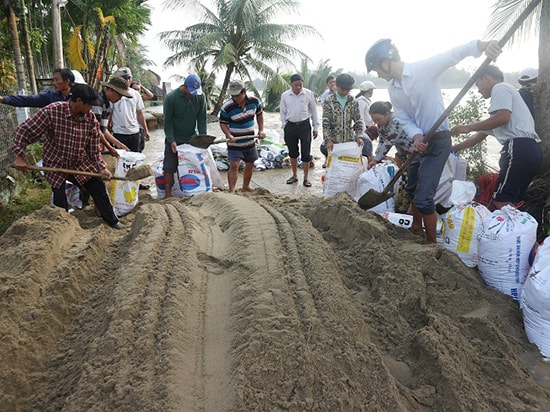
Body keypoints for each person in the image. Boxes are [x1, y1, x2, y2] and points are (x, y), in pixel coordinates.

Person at [364, 38, 502, 243]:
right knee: (411, 188)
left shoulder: (422, 70)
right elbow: (403, 117)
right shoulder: (394, 89)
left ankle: (431, 244)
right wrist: (416, 136)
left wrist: (481, 46)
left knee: (424, 197)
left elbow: (452, 55)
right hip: (419, 144)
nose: (378, 75)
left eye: (377, 69)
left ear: (385, 62)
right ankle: (416, 229)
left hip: (438, 141)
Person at [10, 84, 123, 229]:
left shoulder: (90, 120)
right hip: (55, 164)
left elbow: (93, 149)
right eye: (89, 105)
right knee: (60, 198)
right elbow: (24, 130)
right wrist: (19, 156)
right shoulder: (52, 112)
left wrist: (101, 168)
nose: (91, 109)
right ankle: (62, 228)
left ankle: (112, 221)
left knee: (98, 186)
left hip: (79, 162)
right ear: (79, 101)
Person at [450, 65, 542, 211]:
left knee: (501, 201)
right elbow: (478, 136)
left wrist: (469, 126)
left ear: (486, 79)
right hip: (532, 151)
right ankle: (514, 231)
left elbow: (503, 117)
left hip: (518, 147)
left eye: (478, 84)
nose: (479, 91)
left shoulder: (500, 88)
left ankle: (505, 232)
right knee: (508, 201)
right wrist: (452, 148)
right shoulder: (506, 103)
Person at [162, 73, 207, 198]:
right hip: (175, 138)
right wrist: (171, 140)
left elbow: (202, 119)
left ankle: (194, 192)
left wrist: (203, 138)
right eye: (191, 91)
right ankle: (168, 194)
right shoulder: (171, 98)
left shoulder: (200, 97)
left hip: (191, 138)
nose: (193, 94)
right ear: (185, 87)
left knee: (194, 166)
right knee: (169, 166)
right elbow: (168, 122)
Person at [219, 79, 266, 193]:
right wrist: (229, 135)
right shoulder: (227, 107)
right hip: (234, 142)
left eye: (237, 95)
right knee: (234, 165)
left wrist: (261, 130)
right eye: (232, 95)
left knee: (250, 164)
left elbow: (259, 116)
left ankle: (245, 186)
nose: (235, 98)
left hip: (250, 140)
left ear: (244, 92)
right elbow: (223, 123)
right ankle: (232, 190)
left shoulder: (254, 102)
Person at [279, 73, 319, 187]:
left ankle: (306, 178)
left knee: (306, 153)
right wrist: (284, 125)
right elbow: (282, 112)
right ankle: (295, 175)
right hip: (290, 126)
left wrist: (316, 128)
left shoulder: (308, 94)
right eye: (296, 85)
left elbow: (314, 111)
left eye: (300, 85)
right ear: (291, 84)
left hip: (304, 125)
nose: (298, 87)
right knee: (293, 152)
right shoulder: (285, 95)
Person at [109, 66, 150, 153]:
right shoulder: (113, 93)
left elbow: (140, 114)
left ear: (131, 79)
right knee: (120, 158)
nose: (127, 80)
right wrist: (108, 128)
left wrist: (146, 130)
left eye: (128, 78)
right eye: (124, 78)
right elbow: (110, 113)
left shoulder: (136, 94)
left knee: (135, 157)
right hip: (119, 132)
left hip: (134, 132)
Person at [322, 73, 364, 155]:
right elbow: (325, 122)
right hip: (333, 143)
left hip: (349, 141)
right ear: (337, 86)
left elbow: (358, 121)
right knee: (334, 166)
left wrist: (359, 137)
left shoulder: (353, 101)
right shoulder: (329, 100)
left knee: (348, 164)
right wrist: (328, 140)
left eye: (347, 90)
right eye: (342, 89)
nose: (345, 92)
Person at [367, 101, 412, 169]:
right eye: (374, 121)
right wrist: (377, 156)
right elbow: (381, 141)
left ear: (387, 114)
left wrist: (376, 159)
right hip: (402, 152)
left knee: (413, 174)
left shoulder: (397, 121)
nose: (376, 123)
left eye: (378, 120)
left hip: (413, 150)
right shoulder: (381, 125)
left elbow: (389, 142)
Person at [0, 68, 74, 107]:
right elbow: (28, 100)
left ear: (67, 81)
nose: (54, 83)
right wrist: (4, 99)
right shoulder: (50, 96)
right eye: (53, 80)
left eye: (57, 80)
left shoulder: (78, 95)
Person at [320, 75, 337, 167]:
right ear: (327, 84)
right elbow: (326, 107)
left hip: (338, 122)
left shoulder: (341, 93)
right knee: (326, 142)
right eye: (331, 82)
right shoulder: (324, 95)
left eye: (334, 82)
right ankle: (327, 160)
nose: (333, 84)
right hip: (328, 122)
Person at [356, 80, 376, 159]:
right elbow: (360, 116)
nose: (372, 92)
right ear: (369, 90)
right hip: (364, 129)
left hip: (368, 127)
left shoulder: (366, 100)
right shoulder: (361, 101)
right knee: (366, 148)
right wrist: (362, 131)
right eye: (371, 90)